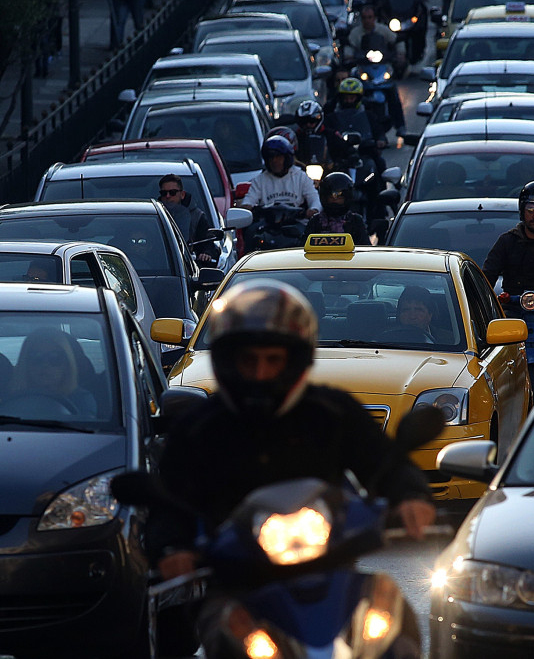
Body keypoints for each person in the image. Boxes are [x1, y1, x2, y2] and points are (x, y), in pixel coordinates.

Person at [146, 280, 436, 583]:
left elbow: (385, 462)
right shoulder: (198, 426)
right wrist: (172, 547)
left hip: (329, 572)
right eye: (248, 361)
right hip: (233, 582)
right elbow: (170, 502)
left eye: (273, 360)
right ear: (228, 362)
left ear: (295, 362)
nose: (261, 373)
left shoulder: (332, 412)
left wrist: (410, 496)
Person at [4, 328, 97, 419]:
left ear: (67, 364)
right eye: (37, 357)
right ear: (25, 363)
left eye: (55, 358)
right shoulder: (8, 399)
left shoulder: (82, 400)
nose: (45, 365)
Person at [241, 136, 321, 217]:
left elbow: (314, 198)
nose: (274, 161)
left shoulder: (301, 177)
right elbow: (249, 199)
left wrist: (313, 210)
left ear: (287, 158)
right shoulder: (259, 180)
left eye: (278, 157)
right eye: (271, 157)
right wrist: (246, 207)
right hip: (268, 222)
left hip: (296, 220)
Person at [158, 174, 219, 265]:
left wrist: (206, 254)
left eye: (172, 192)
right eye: (164, 193)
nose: (168, 196)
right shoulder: (155, 216)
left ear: (182, 194)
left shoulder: (197, 216)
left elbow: (207, 243)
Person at [305, 172, 369, 241]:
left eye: (339, 198)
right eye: (331, 198)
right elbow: (304, 245)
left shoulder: (355, 221)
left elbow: (364, 245)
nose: (335, 201)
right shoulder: (316, 220)